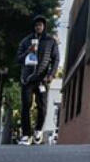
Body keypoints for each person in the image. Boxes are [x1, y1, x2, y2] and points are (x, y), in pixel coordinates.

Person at [15, 15, 59, 145]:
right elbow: (18, 59)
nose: (38, 27)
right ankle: (26, 135)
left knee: (42, 107)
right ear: (33, 27)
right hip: (27, 79)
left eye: (40, 25)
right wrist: (29, 51)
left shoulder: (51, 41)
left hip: (42, 80)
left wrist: (51, 75)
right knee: (25, 106)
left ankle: (38, 131)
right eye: (36, 25)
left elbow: (56, 59)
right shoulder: (26, 41)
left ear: (44, 26)